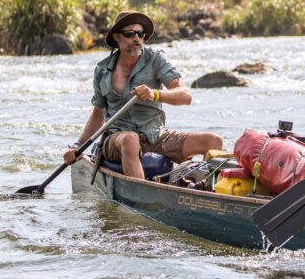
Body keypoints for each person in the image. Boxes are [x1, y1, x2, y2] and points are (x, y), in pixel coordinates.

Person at [63, 11, 222, 180]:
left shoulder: (156, 59)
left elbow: (185, 96)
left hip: (155, 136)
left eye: (140, 34)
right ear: (117, 37)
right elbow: (98, 113)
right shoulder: (102, 71)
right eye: (130, 34)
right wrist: (78, 146)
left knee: (213, 141)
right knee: (130, 140)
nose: (137, 39)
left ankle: (205, 190)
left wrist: (155, 94)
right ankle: (140, 191)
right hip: (117, 138)